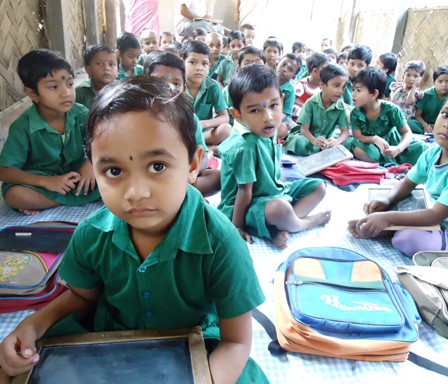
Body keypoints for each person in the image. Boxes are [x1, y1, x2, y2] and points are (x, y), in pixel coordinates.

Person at [0, 76, 269, 384]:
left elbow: (236, 342)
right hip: (108, 341)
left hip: (196, 350)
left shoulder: (222, 243)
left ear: (194, 164)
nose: (136, 193)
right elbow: (82, 298)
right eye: (114, 171)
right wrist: (33, 325)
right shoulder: (91, 234)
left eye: (157, 166)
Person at [348, 86, 448, 257]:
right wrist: (386, 199)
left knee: (407, 240)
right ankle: (387, 224)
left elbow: (435, 216)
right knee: (383, 197)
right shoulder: (434, 150)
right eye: (446, 115)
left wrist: (388, 218)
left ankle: (389, 229)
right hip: (433, 205)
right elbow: (408, 182)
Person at [217, 64, 331, 249]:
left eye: (273, 106)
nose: (268, 117)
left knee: (319, 187)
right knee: (280, 209)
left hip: (273, 193)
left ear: (282, 100)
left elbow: (273, 172)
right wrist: (236, 227)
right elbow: (244, 192)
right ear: (237, 114)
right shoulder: (245, 145)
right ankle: (304, 223)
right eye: (255, 110)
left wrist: (283, 188)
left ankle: (280, 225)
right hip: (244, 206)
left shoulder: (269, 130)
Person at [0, 50, 100, 215]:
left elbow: (103, 140)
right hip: (41, 181)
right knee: (15, 195)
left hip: (78, 175)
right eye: (53, 87)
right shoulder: (23, 126)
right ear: (33, 94)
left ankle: (53, 201)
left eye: (69, 84)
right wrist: (46, 182)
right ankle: (72, 198)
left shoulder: (80, 113)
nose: (66, 93)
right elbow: (4, 171)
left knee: (116, 173)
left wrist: (90, 163)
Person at [143, 50, 221, 196]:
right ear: (144, 84)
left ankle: (180, 194)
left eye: (176, 84)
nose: (168, 89)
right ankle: (181, 196)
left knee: (218, 177)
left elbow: (202, 154)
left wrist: (189, 173)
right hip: (148, 176)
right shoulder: (138, 118)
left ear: (183, 89)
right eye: (159, 81)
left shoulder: (189, 118)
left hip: (182, 175)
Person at [343, 67, 427, 166]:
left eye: (358, 90)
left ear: (374, 94)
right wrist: (374, 139)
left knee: (421, 147)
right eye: (353, 89)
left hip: (394, 142)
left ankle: (391, 159)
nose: (353, 94)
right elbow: (358, 136)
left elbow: (407, 133)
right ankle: (383, 160)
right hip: (372, 144)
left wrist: (398, 148)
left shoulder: (391, 110)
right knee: (359, 150)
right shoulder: (356, 113)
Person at [286, 64, 349, 156]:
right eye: (336, 86)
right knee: (298, 142)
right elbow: (304, 130)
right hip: (308, 137)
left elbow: (345, 132)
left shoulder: (341, 106)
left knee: (344, 145)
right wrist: (314, 140)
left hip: (327, 138)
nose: (341, 91)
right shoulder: (311, 103)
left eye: (343, 87)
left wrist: (336, 141)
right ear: (322, 84)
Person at [182, 41, 232, 155]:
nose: (199, 68)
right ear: (182, 63)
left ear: (209, 66)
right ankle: (207, 149)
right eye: (193, 62)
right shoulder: (177, 85)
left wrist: (203, 124)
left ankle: (197, 146)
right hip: (181, 133)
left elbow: (225, 117)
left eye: (204, 64)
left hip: (204, 134)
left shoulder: (213, 86)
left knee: (226, 130)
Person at [222, 46, 266, 125]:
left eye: (258, 63)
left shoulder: (268, 89)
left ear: (265, 66)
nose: (253, 66)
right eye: (247, 63)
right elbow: (225, 116)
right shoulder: (230, 90)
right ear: (239, 68)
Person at [408, 65, 448, 134]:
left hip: (441, 124)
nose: (444, 84)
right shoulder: (426, 94)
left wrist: (437, 125)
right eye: (440, 81)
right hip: (422, 123)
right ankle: (425, 131)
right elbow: (417, 115)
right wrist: (425, 125)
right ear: (434, 82)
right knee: (409, 122)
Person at [76, 45, 118, 109]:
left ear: (118, 70)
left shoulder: (122, 91)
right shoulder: (79, 92)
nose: (106, 68)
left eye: (111, 64)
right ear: (88, 69)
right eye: (99, 63)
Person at [292, 52, 331, 119]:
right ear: (315, 71)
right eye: (326, 70)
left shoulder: (324, 87)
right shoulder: (302, 85)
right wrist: (307, 107)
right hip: (301, 113)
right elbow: (292, 100)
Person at [277, 53, 302, 136]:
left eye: (290, 70)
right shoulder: (267, 80)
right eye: (283, 64)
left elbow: (286, 112)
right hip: (265, 112)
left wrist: (273, 119)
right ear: (277, 64)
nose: (284, 69)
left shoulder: (290, 90)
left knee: (282, 129)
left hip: (281, 117)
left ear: (293, 77)